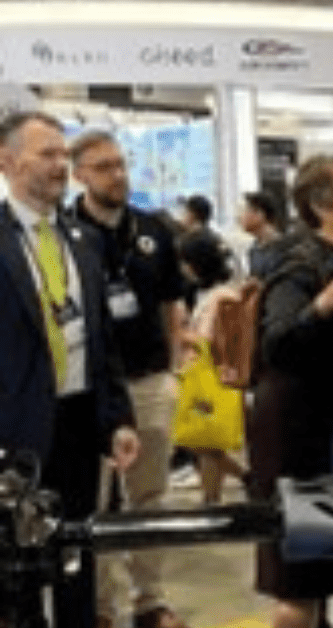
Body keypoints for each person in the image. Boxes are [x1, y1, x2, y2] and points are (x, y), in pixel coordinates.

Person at [0, 111, 139, 628]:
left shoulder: (84, 240)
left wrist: (117, 418)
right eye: (47, 154)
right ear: (8, 161)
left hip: (79, 423)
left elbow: (103, 341)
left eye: (63, 154)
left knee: (79, 555)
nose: (61, 165)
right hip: (13, 431)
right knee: (17, 568)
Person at [68, 130, 190, 628]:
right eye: (103, 167)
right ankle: (99, 606)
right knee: (93, 501)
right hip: (91, 390)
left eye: (120, 164)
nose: (117, 175)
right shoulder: (66, 231)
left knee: (150, 496)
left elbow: (171, 302)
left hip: (149, 381)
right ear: (80, 174)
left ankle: (149, 601)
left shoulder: (152, 229)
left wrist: (174, 367)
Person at [249, 154, 333, 628]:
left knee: (326, 578)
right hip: (294, 444)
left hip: (330, 434)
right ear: (322, 207)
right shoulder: (300, 264)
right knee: (299, 588)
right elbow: (277, 343)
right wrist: (319, 307)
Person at [178, 235, 248, 507]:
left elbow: (213, 340)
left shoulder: (221, 297)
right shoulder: (215, 294)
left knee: (203, 441)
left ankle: (220, 493)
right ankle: (215, 495)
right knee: (206, 442)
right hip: (209, 376)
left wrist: (180, 335)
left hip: (213, 378)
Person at [241, 190, 288, 279]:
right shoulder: (254, 250)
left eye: (246, 211)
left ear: (260, 214)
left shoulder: (283, 249)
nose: (242, 217)